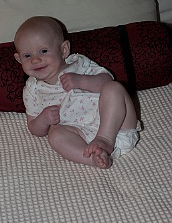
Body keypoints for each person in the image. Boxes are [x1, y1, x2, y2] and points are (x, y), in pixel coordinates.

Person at [14, 16, 140, 169]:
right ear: (19, 59)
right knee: (55, 134)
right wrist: (43, 120)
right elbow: (33, 127)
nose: (35, 60)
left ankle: (105, 139)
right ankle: (92, 158)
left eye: (43, 51)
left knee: (114, 88)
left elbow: (107, 79)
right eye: (27, 55)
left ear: (64, 49)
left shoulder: (78, 63)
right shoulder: (32, 90)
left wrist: (81, 81)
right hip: (81, 136)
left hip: (117, 125)